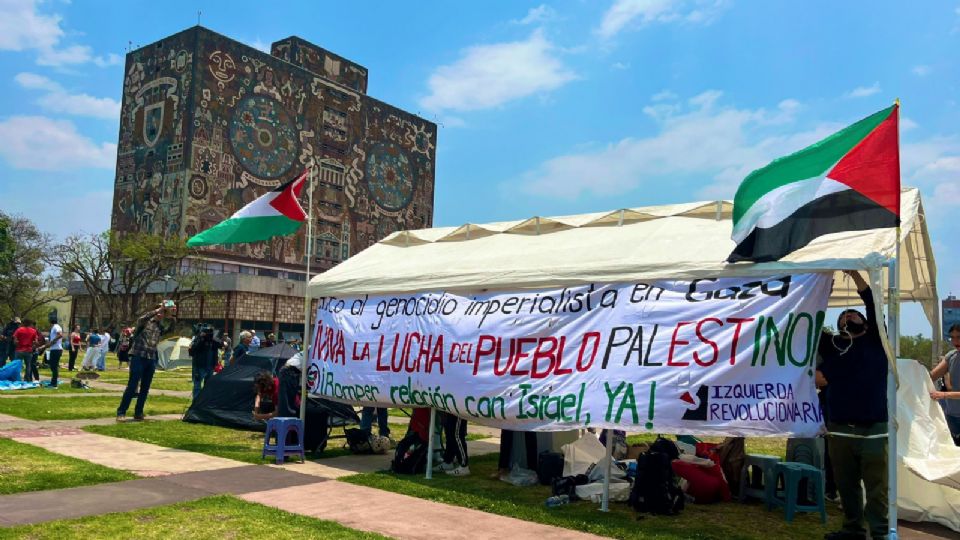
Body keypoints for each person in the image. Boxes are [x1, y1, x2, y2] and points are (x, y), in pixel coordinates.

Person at [815, 270, 888, 540]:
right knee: (846, 485)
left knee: (877, 487)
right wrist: (822, 288)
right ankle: (853, 529)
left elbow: (873, 304)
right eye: (843, 316)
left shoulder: (877, 342)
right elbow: (810, 319)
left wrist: (856, 276)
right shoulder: (833, 345)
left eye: (854, 314)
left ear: (867, 323)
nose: (848, 316)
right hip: (839, 426)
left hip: (874, 427)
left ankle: (880, 533)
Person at [116, 302, 177, 421]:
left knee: (145, 387)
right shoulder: (144, 323)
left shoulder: (159, 326)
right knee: (132, 385)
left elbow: (170, 331)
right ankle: (121, 412)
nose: (161, 315)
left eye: (163, 313)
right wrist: (159, 309)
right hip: (138, 356)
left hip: (151, 358)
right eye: (160, 312)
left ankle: (138, 412)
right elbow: (141, 318)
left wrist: (173, 317)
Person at [930, 324, 960, 444]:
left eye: (958, 337)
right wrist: (918, 368)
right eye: (952, 337)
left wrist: (943, 395)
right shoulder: (951, 356)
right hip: (952, 416)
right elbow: (931, 376)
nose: (955, 341)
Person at [188, 325, 222, 400]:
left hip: (210, 366)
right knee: (197, 386)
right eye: (207, 332)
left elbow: (221, 344)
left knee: (208, 386)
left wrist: (213, 338)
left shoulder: (213, 340)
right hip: (199, 367)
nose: (209, 334)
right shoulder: (198, 339)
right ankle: (196, 403)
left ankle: (204, 402)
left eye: (211, 332)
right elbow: (192, 351)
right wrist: (201, 338)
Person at [436, 411, 470, 476]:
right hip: (448, 409)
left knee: (456, 435)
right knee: (449, 434)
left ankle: (464, 466)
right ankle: (448, 462)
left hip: (458, 410)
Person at [46, 318, 63, 387]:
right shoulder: (55, 327)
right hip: (54, 349)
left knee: (54, 366)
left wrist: (52, 342)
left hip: (56, 349)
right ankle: (54, 380)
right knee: (53, 366)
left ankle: (54, 383)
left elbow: (60, 335)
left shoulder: (56, 327)